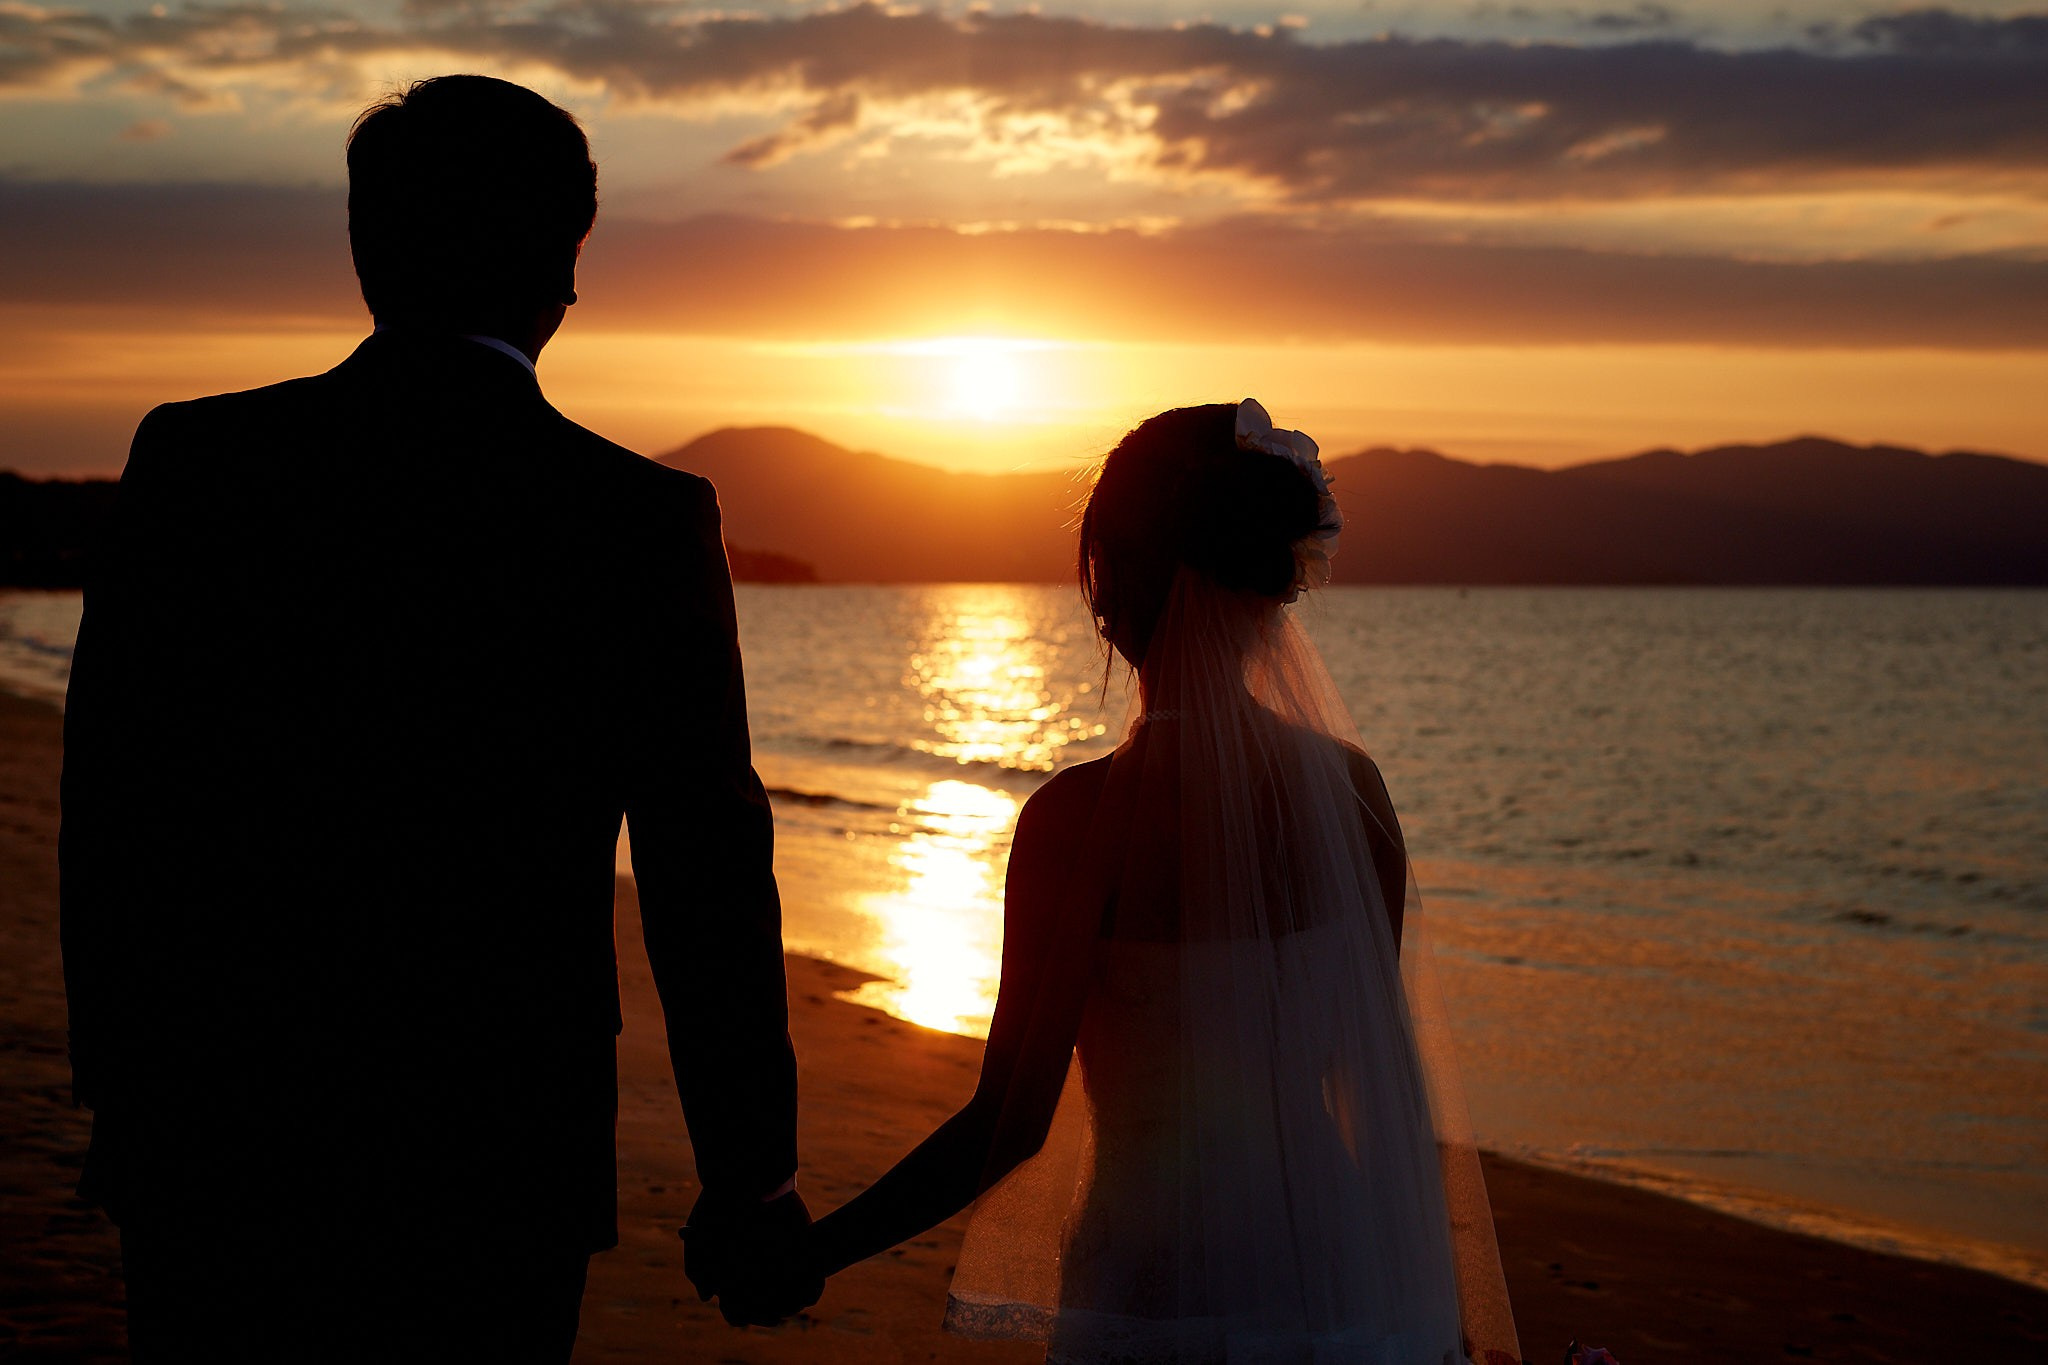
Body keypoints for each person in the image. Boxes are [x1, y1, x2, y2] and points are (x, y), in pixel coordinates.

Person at [59, 75, 814, 1362]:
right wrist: (750, 1179)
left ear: (365, 248)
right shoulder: (635, 522)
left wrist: (127, 1091)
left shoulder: (198, 463)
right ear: (563, 267)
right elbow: (705, 873)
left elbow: (113, 801)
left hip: (212, 1124)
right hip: (498, 1145)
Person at [741, 401, 1522, 1364]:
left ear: (1106, 586)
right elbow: (1382, 1086)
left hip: (1149, 1285)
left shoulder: (1073, 822)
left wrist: (814, 1252)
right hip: (1338, 1281)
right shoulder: (1354, 794)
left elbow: (1008, 1123)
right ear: (1271, 580)